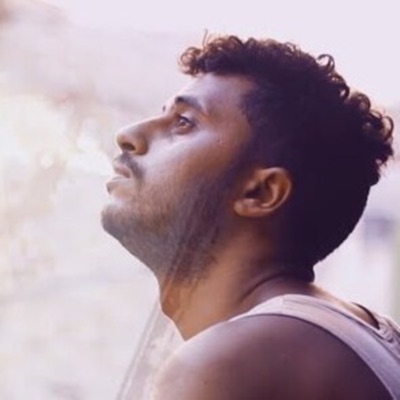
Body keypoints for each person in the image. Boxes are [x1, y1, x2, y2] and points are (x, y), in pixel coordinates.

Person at [101, 34, 400, 399]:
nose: (129, 135)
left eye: (184, 122)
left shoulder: (230, 363)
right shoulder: (352, 335)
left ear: (260, 192)